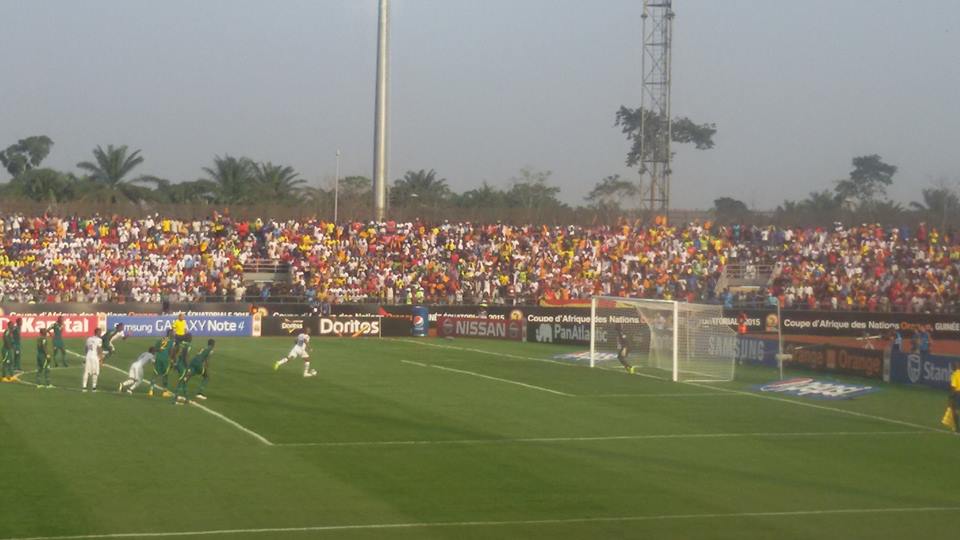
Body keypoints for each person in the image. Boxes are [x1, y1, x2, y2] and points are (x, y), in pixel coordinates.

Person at [172, 339, 215, 404]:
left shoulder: (204, 348)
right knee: (206, 376)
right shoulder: (210, 349)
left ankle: (178, 394)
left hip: (193, 362)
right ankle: (199, 393)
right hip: (198, 363)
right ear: (213, 344)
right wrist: (206, 368)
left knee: (186, 378)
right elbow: (207, 359)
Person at [149, 330, 175, 398]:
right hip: (165, 359)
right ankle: (165, 392)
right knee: (165, 374)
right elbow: (171, 351)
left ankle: (151, 390)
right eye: (173, 333)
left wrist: (156, 355)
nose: (174, 334)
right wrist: (172, 360)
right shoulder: (171, 341)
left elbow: (155, 349)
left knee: (155, 374)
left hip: (158, 358)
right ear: (170, 334)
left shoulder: (161, 339)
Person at [82, 328, 103, 393]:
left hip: (88, 356)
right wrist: (101, 359)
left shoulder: (89, 339)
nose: (101, 333)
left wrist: (86, 356)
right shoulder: (99, 340)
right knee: (95, 372)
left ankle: (84, 387)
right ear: (97, 332)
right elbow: (99, 349)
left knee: (86, 371)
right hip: (95, 357)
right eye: (100, 332)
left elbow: (86, 348)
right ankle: (94, 387)